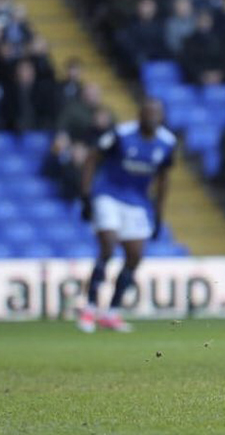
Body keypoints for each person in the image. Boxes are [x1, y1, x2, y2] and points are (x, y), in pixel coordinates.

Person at [77, 99, 175, 334]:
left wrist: (159, 213)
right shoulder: (121, 134)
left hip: (137, 202)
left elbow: (163, 179)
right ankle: (90, 307)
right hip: (108, 194)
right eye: (148, 112)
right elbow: (93, 157)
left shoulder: (167, 142)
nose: (152, 117)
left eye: (156, 114)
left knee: (135, 256)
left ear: (161, 117)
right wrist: (86, 193)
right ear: (139, 114)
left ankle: (112, 312)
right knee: (108, 247)